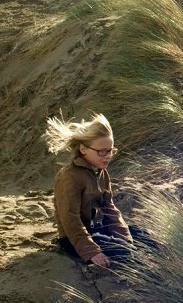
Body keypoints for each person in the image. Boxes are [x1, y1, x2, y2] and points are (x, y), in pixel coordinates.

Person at [45, 113, 141, 268]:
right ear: (83, 149)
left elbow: (109, 209)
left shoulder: (101, 172)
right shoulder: (69, 176)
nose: (108, 156)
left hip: (97, 228)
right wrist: (92, 252)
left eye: (110, 151)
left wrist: (126, 239)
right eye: (102, 151)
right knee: (126, 255)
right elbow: (70, 220)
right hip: (74, 239)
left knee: (144, 238)